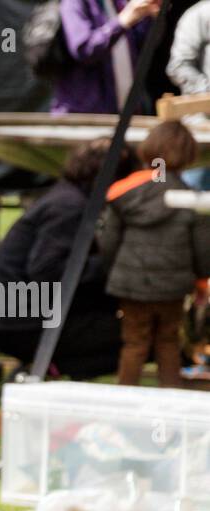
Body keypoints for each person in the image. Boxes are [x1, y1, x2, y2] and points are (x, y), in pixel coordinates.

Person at [0, 138, 133, 378]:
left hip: (15, 318)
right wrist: (113, 267)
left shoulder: (65, 198)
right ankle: (53, 368)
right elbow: (47, 270)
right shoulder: (70, 207)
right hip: (22, 324)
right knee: (138, 332)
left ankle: (49, 368)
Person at [98, 118, 210, 384]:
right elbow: (203, 250)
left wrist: (115, 270)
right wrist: (201, 282)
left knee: (134, 343)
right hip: (173, 287)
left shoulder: (124, 191)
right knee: (168, 342)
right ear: (189, 155)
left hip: (131, 284)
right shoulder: (190, 198)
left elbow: (108, 240)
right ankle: (170, 402)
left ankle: (125, 402)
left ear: (148, 149)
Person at [53, 0, 162, 115]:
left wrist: (151, 15)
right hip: (84, 118)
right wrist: (121, 22)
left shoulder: (118, 3)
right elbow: (84, 48)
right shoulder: (74, 3)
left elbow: (142, 45)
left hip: (124, 114)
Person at [166, 0, 210, 188]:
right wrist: (206, 90)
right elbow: (179, 66)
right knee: (193, 204)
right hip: (203, 130)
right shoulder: (201, 13)